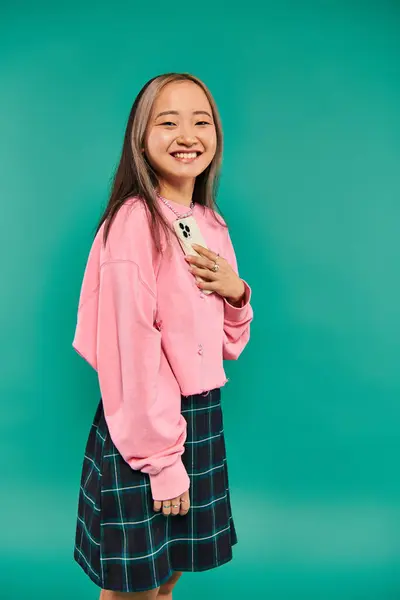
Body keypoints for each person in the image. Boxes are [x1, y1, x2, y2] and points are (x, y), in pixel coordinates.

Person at [72, 72, 253, 599]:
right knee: (131, 587)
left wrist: (236, 292)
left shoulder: (208, 221)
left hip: (198, 415)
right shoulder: (134, 221)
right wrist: (162, 458)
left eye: (201, 121)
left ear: (216, 134)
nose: (187, 134)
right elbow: (130, 349)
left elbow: (226, 343)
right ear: (141, 138)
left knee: (167, 575)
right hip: (147, 426)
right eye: (167, 121)